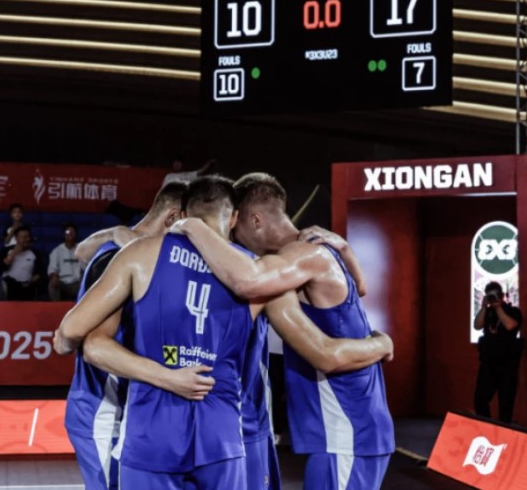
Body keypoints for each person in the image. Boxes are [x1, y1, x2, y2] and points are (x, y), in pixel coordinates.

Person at [55, 176, 392, 490]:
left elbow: (77, 335)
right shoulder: (258, 276)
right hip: (223, 433)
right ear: (233, 219)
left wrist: (166, 376)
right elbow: (325, 338)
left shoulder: (140, 255)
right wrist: (379, 336)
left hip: (152, 429)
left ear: (182, 215)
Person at [172, 172, 395, 490]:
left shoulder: (302, 255)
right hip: (351, 429)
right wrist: (345, 249)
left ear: (255, 220)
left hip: (347, 431)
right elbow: (359, 289)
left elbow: (248, 281)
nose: (233, 238)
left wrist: (192, 226)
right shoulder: (319, 250)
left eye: (235, 227)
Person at [63, 181, 187, 490]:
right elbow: (79, 339)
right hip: (102, 409)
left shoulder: (133, 251)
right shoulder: (118, 258)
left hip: (129, 408)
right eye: (192, 226)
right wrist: (169, 378)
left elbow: (81, 251)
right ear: (173, 218)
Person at [472, 280, 523, 423]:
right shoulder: (487, 312)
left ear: (501, 296)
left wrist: (498, 307)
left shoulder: (513, 311)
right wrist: (484, 307)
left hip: (508, 365)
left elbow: (510, 325)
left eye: (495, 295)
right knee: (480, 399)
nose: (492, 298)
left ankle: (503, 432)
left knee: (506, 405)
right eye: (490, 296)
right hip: (488, 363)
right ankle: (487, 428)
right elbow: (477, 325)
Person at [0, 225, 44, 300]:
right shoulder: (6, 251)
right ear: (16, 238)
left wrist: (31, 281)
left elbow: (39, 273)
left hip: (27, 287)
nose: (27, 239)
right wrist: (13, 254)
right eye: (24, 237)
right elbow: (1, 268)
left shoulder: (35, 253)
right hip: (10, 286)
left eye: (28, 237)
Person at [48, 223, 83, 301]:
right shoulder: (57, 251)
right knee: (52, 284)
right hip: (62, 282)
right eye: (67, 232)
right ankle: (56, 307)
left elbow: (86, 266)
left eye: (72, 232)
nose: (70, 234)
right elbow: (52, 268)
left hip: (77, 282)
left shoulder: (81, 249)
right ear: (64, 235)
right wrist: (54, 277)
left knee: (88, 284)